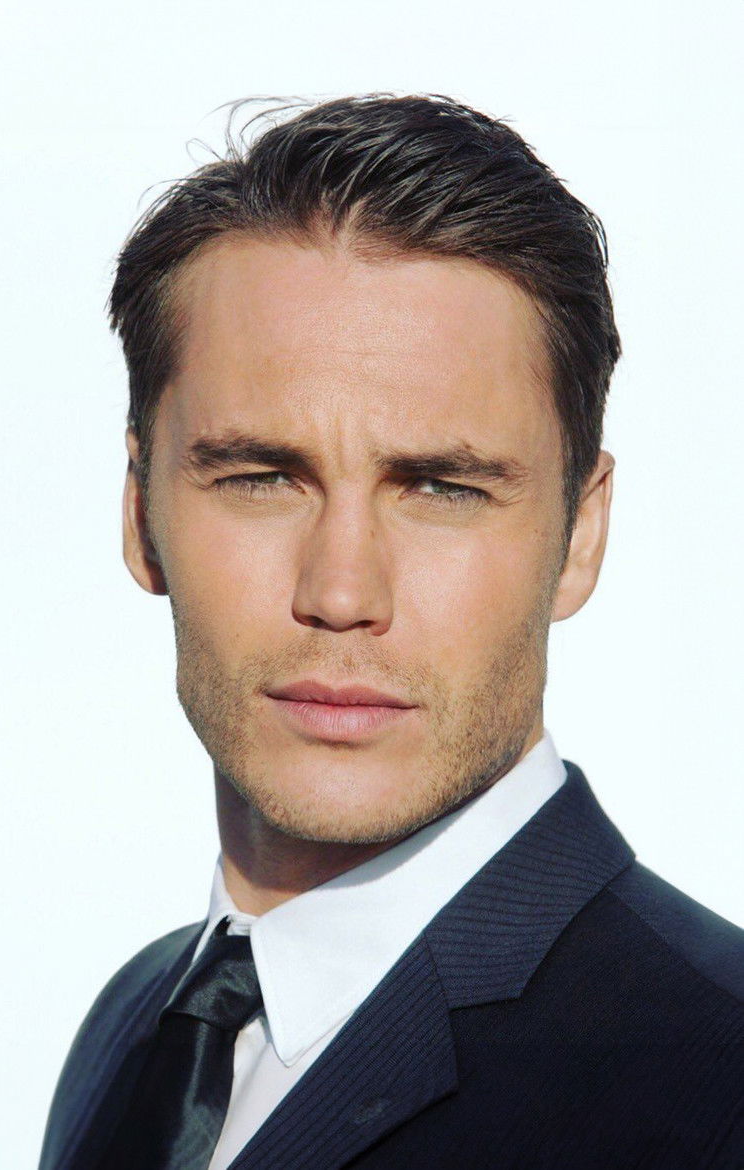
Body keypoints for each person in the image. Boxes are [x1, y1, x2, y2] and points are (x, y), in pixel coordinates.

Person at [38, 94, 743, 1170]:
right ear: (140, 515)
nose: (341, 591)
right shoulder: (136, 1025)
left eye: (444, 489)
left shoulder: (717, 1082)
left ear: (581, 536)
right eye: (262, 477)